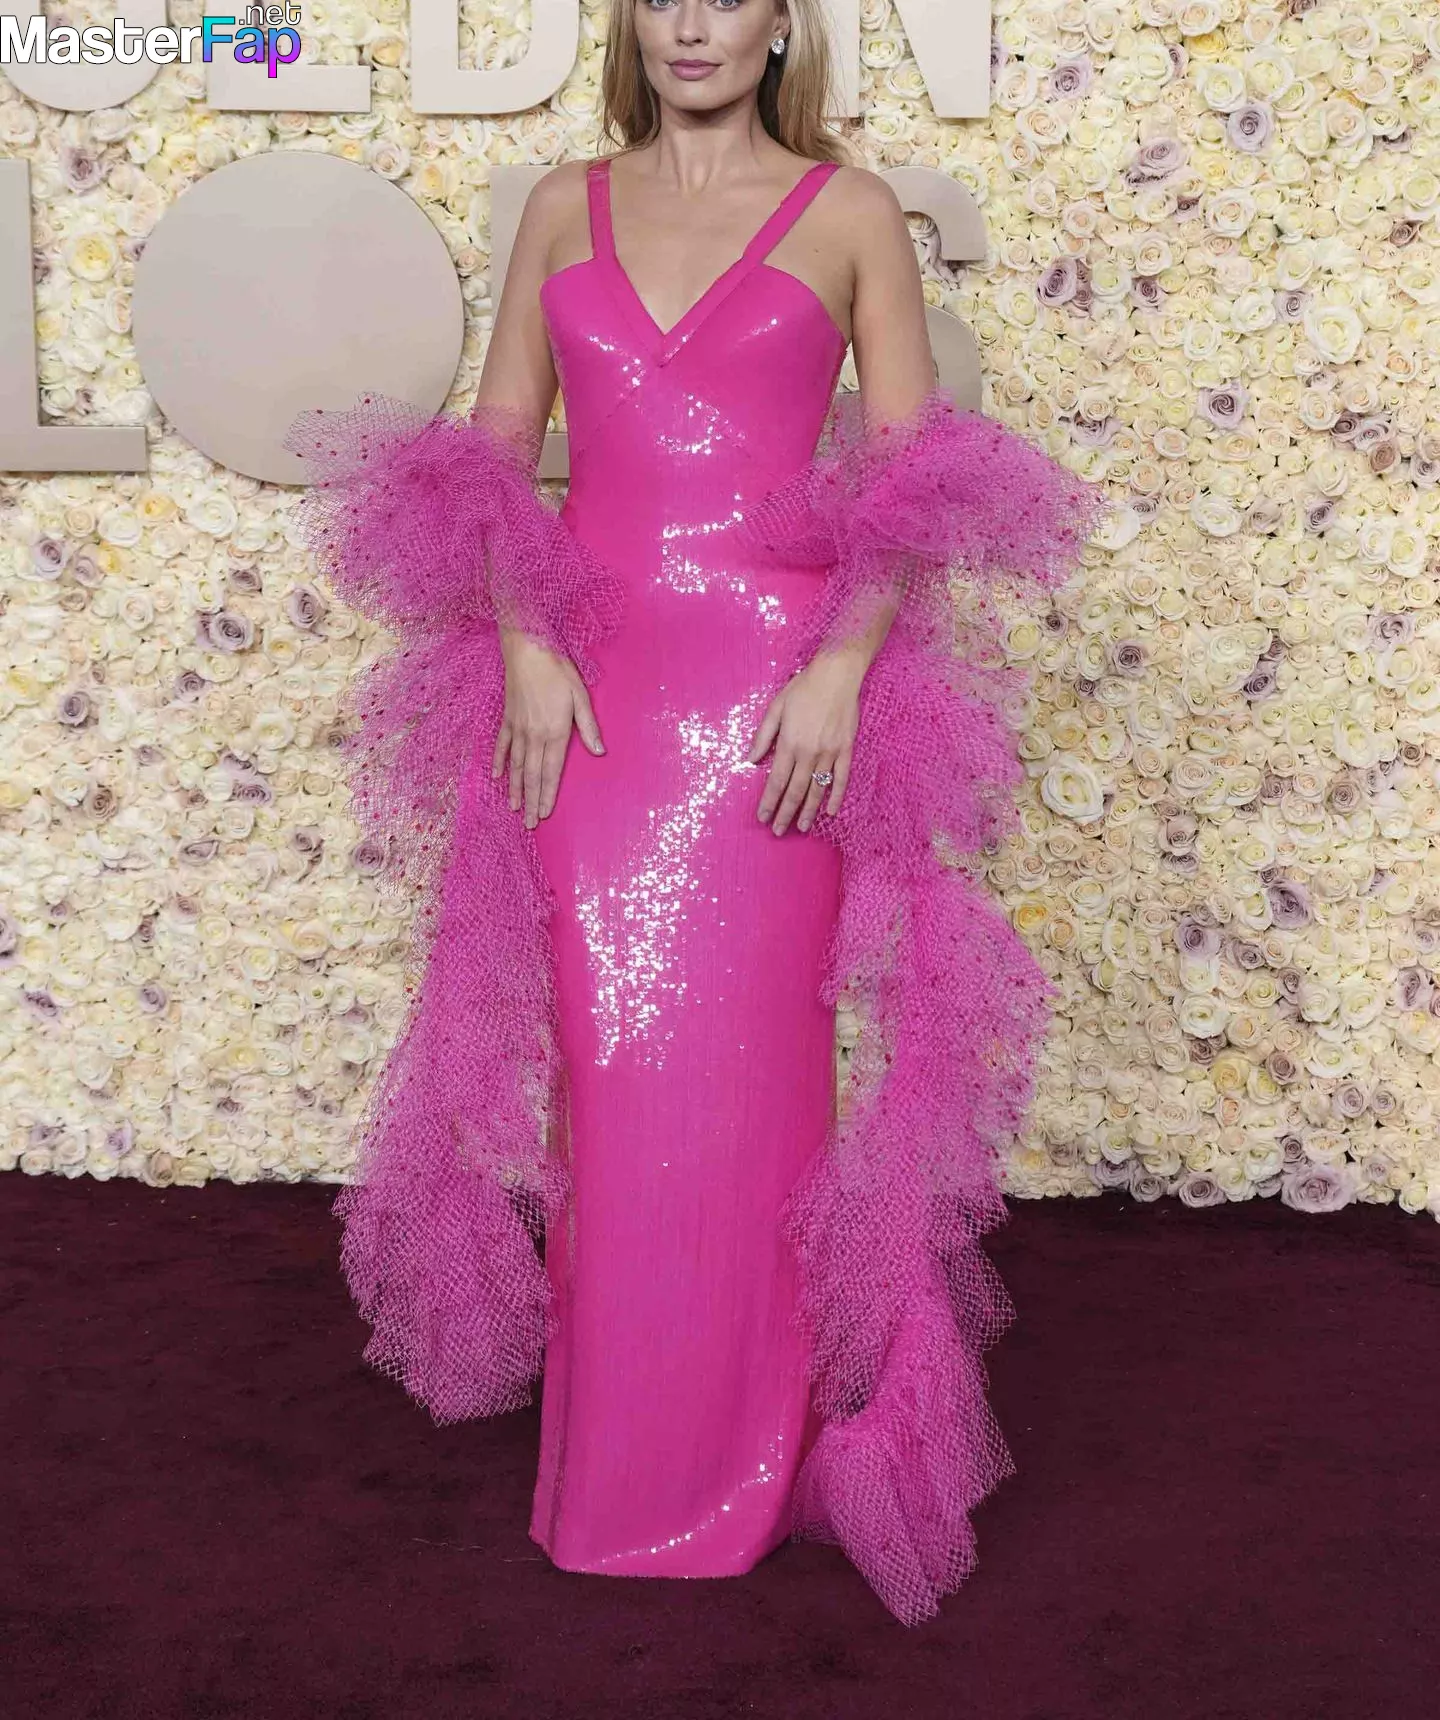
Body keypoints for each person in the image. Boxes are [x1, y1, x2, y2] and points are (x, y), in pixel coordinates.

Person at [284, 0, 1104, 1627]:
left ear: (780, 23)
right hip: (591, 701)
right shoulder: (559, 205)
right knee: (609, 1079)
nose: (692, 23)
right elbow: (497, 456)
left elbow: (911, 473)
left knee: (750, 1083)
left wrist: (842, 672)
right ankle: (616, 1470)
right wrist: (526, 647)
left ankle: (742, 1463)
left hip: (775, 709)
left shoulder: (850, 212)